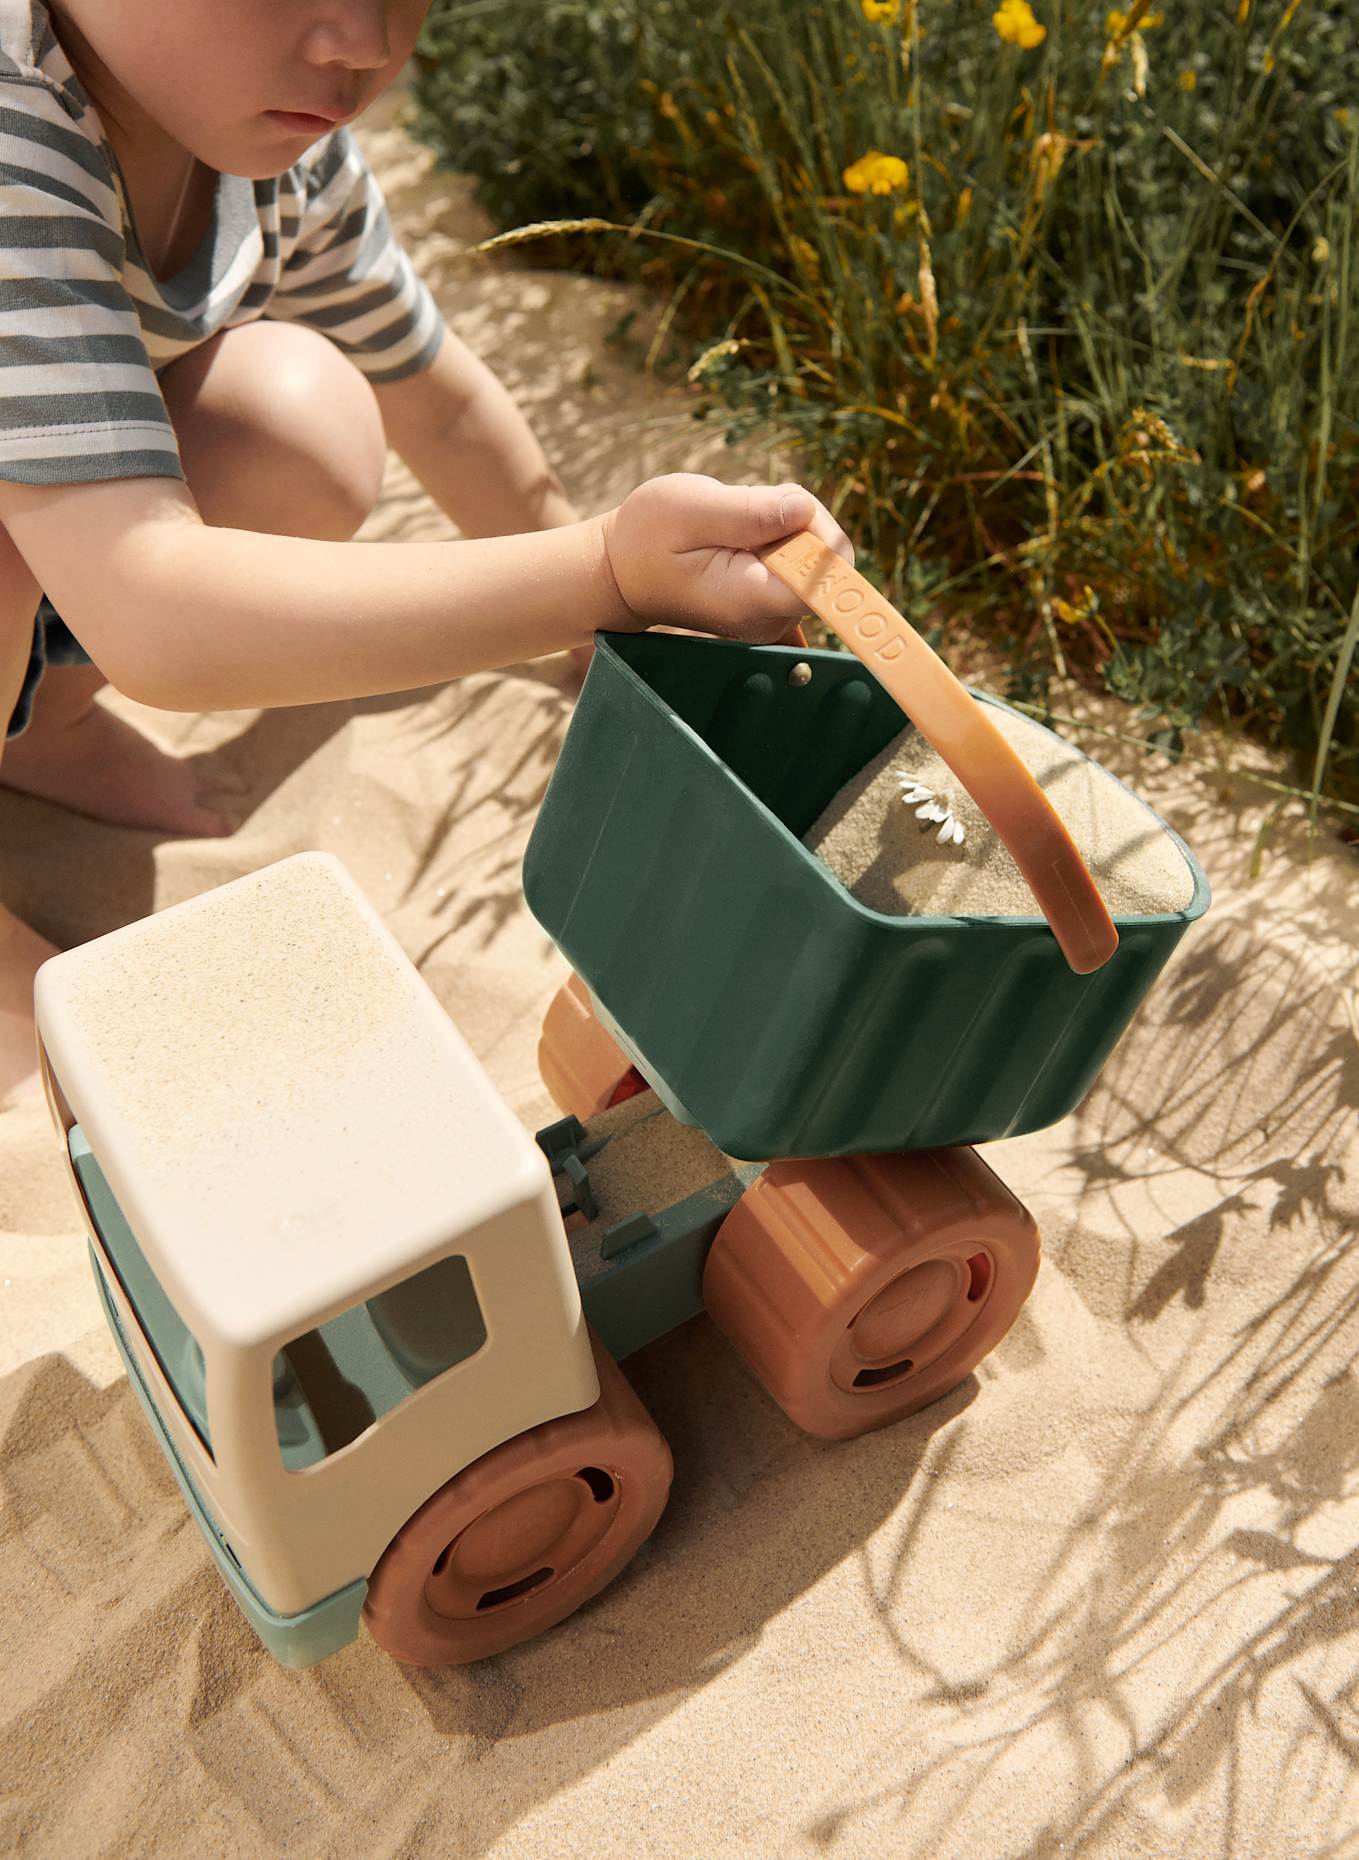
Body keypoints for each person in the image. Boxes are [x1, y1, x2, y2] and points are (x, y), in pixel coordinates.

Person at [0, 0, 852, 1101]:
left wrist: (607, 633)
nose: (363, 39)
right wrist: (596, 572)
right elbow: (148, 608)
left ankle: (34, 731)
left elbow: (434, 406)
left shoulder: (256, 139)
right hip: (99, 579)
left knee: (300, 420)